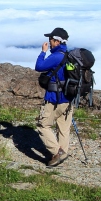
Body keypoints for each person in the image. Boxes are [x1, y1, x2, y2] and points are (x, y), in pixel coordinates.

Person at [34, 27, 73, 166]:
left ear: (57, 41)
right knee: (63, 128)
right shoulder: (69, 55)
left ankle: (58, 152)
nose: (49, 43)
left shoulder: (56, 56)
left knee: (43, 125)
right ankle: (62, 153)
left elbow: (39, 66)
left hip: (54, 98)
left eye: (51, 40)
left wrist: (43, 52)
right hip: (68, 98)